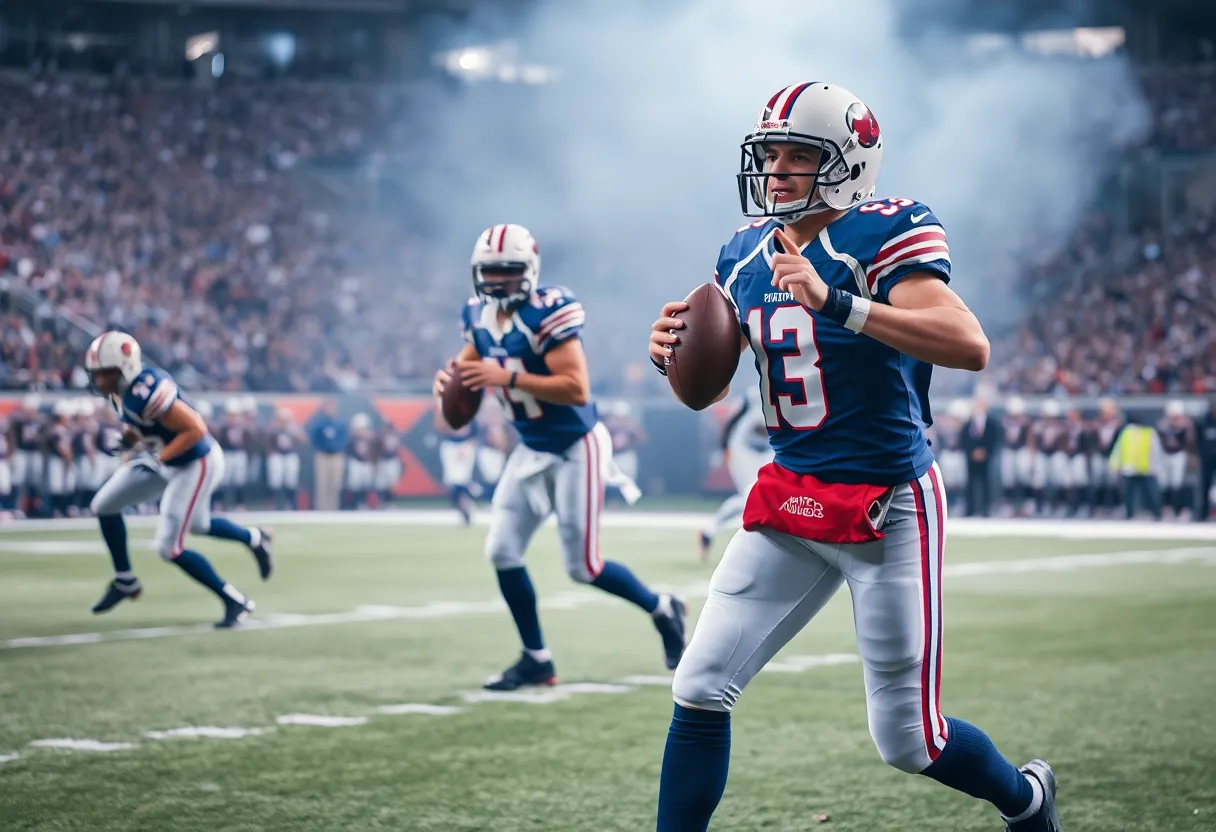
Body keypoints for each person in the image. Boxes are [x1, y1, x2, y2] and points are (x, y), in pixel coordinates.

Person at [646, 82, 1059, 832]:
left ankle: (1026, 802)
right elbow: (703, 391)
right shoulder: (743, 254)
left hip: (888, 506)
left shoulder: (885, 233)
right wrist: (670, 357)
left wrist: (838, 302)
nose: (775, 171)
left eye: (797, 155)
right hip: (791, 498)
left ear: (847, 163)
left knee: (909, 739)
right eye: (768, 154)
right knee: (700, 683)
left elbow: (970, 345)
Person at [433, 223, 687, 691]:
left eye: (507, 271)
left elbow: (575, 388)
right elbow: (467, 368)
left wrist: (503, 378)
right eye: (488, 271)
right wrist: (449, 381)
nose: (496, 281)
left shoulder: (548, 312)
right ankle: (536, 658)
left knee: (582, 567)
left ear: (528, 272)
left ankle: (661, 606)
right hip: (530, 448)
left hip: (576, 446)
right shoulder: (477, 317)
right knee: (502, 551)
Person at [84, 331, 274, 628]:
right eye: (97, 374)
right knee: (105, 505)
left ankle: (234, 600)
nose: (99, 381)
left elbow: (196, 429)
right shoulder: (119, 392)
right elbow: (141, 423)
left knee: (169, 547)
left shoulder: (147, 390)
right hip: (164, 459)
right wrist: (130, 440)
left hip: (195, 462)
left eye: (105, 373)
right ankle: (125, 580)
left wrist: (160, 457)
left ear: (125, 367)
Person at [697, 387, 772, 560]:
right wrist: (725, 447)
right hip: (742, 448)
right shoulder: (753, 395)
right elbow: (732, 421)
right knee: (751, 494)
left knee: (760, 496)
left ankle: (709, 531)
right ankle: (713, 532)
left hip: (768, 449)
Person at [960, 395, 998, 517]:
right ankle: (970, 509)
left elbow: (994, 439)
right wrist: (972, 452)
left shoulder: (991, 423)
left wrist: (986, 452)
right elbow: (964, 439)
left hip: (985, 458)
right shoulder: (969, 423)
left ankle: (986, 509)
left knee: (986, 482)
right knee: (970, 483)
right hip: (971, 458)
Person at [308, 399, 347, 511]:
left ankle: (334, 507)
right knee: (322, 483)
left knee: (335, 483)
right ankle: (321, 507)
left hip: (336, 456)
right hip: (323, 456)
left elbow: (343, 439)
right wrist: (319, 449)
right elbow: (314, 439)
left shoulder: (339, 424)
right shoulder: (319, 424)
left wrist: (338, 448)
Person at [1196, 400, 1216, 521]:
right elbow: (1197, 441)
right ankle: (1202, 514)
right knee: (1205, 486)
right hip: (1207, 458)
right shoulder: (1203, 422)